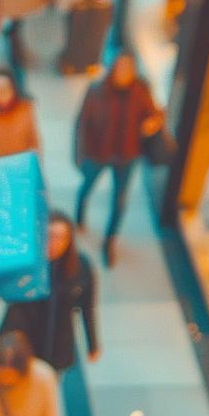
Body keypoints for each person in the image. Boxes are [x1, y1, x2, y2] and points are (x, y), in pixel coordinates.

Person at [74, 54, 164, 265]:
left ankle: (109, 240)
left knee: (120, 201)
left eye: (128, 68)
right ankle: (79, 216)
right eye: (120, 67)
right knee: (86, 186)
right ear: (113, 68)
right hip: (98, 153)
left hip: (127, 155)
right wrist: (79, 156)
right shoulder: (97, 90)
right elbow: (82, 124)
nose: (124, 73)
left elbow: (155, 113)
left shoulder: (140, 91)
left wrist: (152, 123)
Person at [0, 211, 100, 372]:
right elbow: (11, 304)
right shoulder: (28, 266)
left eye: (61, 237)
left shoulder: (81, 267)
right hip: (28, 342)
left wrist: (93, 344)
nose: (54, 243)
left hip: (59, 344)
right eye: (50, 236)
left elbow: (88, 307)